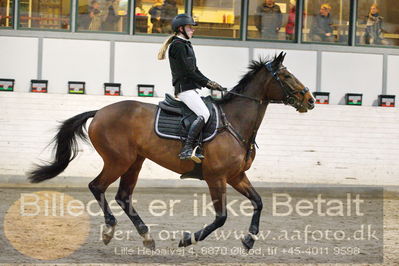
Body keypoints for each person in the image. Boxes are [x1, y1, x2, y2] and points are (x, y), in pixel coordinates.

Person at [157, 14, 225, 162]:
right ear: (181, 29)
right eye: (190, 27)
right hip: (184, 89)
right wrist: (208, 84)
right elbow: (189, 72)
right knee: (204, 113)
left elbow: (195, 69)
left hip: (190, 88)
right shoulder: (178, 45)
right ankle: (187, 149)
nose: (193, 30)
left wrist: (211, 82)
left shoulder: (185, 44)